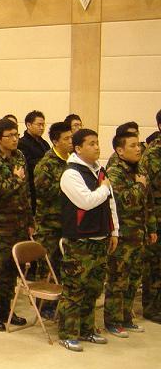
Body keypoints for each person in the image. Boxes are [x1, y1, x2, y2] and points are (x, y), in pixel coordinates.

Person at [58, 128, 119, 351]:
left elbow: (110, 203)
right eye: (91, 143)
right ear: (78, 148)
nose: (96, 147)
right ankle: (68, 333)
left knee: (93, 289)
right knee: (75, 290)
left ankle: (87, 329)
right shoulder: (71, 174)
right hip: (80, 241)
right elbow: (86, 201)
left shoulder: (98, 170)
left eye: (97, 142)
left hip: (100, 237)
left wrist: (114, 232)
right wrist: (104, 188)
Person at [0, 118, 34, 331]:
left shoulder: (19, 156)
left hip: (19, 223)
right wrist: (15, 179)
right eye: (9, 135)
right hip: (0, 225)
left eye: (16, 134)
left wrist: (30, 220)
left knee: (12, 269)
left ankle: (6, 308)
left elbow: (25, 191)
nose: (14, 139)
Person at [104, 131, 153, 338]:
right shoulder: (115, 172)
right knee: (118, 279)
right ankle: (112, 321)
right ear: (120, 150)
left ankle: (126, 317)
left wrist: (151, 229)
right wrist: (140, 185)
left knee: (134, 278)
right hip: (122, 235)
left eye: (138, 145)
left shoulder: (140, 169)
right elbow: (123, 202)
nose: (138, 148)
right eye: (132, 146)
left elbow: (147, 204)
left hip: (138, 234)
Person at [33, 122, 73, 286]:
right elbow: (44, 192)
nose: (71, 141)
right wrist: (69, 188)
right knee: (47, 265)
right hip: (49, 223)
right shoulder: (46, 164)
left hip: (67, 221)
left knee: (64, 265)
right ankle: (43, 305)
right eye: (66, 138)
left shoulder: (72, 161)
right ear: (56, 141)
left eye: (71, 137)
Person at [139, 126, 161, 323]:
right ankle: (151, 307)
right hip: (155, 216)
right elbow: (148, 192)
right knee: (154, 265)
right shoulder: (152, 155)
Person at [18, 110, 50, 215]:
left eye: (43, 125)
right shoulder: (22, 143)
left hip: (44, 188)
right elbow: (28, 164)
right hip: (31, 188)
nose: (42, 128)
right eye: (39, 124)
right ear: (28, 125)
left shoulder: (44, 143)